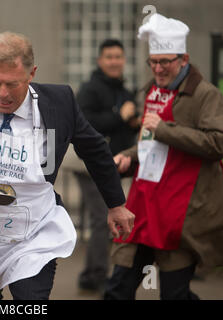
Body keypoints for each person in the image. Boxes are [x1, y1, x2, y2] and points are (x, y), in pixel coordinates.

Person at [0, 31, 135, 300]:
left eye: (13, 84)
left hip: (34, 231)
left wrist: (116, 205)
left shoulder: (60, 102)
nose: (2, 94)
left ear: (32, 74)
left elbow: (95, 150)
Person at [104, 13, 223, 300]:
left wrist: (165, 129)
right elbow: (151, 144)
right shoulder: (153, 90)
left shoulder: (205, 94)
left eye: (165, 62)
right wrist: (128, 156)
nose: (157, 69)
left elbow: (218, 143)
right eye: (153, 62)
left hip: (181, 212)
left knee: (174, 295)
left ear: (184, 59)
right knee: (117, 289)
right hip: (143, 204)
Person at [74, 39, 140, 294]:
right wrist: (119, 116)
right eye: (109, 57)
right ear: (100, 60)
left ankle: (92, 275)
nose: (114, 61)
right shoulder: (90, 89)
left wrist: (133, 121)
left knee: (110, 219)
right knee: (103, 219)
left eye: (118, 57)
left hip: (117, 165)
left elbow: (127, 121)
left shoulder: (125, 89)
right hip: (90, 166)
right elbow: (85, 123)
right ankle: (97, 276)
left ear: (124, 60)